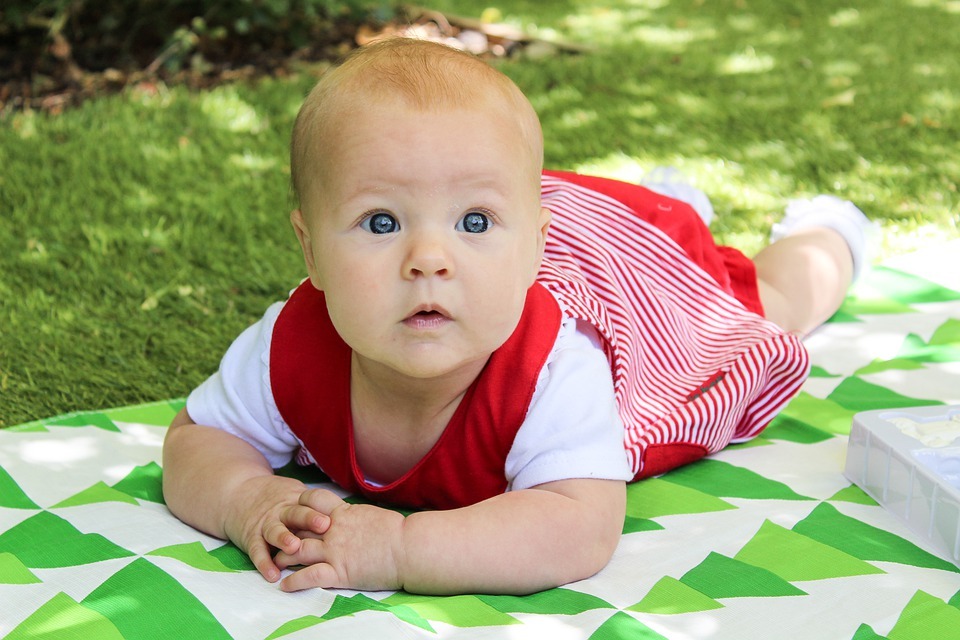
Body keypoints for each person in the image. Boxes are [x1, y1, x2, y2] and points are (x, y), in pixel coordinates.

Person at [161, 37, 874, 595]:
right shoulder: (292, 345)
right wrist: (246, 498)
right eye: (380, 222)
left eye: (471, 220)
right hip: (537, 229)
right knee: (583, 211)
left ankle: (827, 235)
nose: (428, 258)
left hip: (628, 282)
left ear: (532, 243)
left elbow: (579, 524)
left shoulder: (554, 367)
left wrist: (402, 550)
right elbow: (197, 441)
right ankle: (652, 201)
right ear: (310, 252)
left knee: (762, 306)